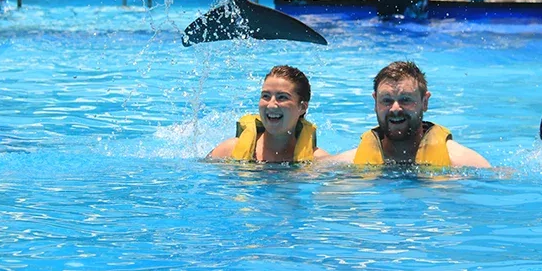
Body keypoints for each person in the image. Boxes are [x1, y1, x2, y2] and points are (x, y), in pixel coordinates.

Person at [323, 61, 491, 168]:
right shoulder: (349, 163)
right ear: (375, 102)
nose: (395, 108)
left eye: (405, 99)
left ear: (425, 102)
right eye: (386, 100)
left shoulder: (462, 162)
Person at [209, 65, 328, 163]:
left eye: (282, 97)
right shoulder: (228, 151)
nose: (271, 105)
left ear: (302, 107)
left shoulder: (316, 161)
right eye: (265, 96)